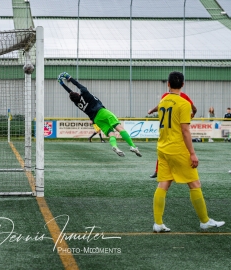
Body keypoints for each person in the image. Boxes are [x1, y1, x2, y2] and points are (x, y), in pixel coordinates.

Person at [152, 71, 224, 232]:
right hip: (177, 149)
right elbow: (185, 131)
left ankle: (158, 223)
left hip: (162, 148)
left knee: (163, 183)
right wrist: (192, 153)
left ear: (168, 84)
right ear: (183, 85)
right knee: (195, 184)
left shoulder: (163, 101)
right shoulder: (183, 104)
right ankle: (204, 221)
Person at [57, 72, 141, 157]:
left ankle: (115, 146)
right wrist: (69, 78)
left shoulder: (77, 103)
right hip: (102, 112)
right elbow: (77, 84)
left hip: (96, 119)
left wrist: (62, 84)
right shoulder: (85, 93)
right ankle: (133, 146)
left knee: (111, 133)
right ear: (78, 94)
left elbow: (71, 93)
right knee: (119, 128)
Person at [148, 91, 197, 178]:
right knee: (183, 153)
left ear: (169, 84)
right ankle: (181, 172)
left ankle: (157, 171)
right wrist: (193, 114)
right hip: (177, 131)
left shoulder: (165, 96)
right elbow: (194, 109)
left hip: (165, 134)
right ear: (182, 84)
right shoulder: (184, 97)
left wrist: (152, 110)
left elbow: (160, 106)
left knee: (162, 153)